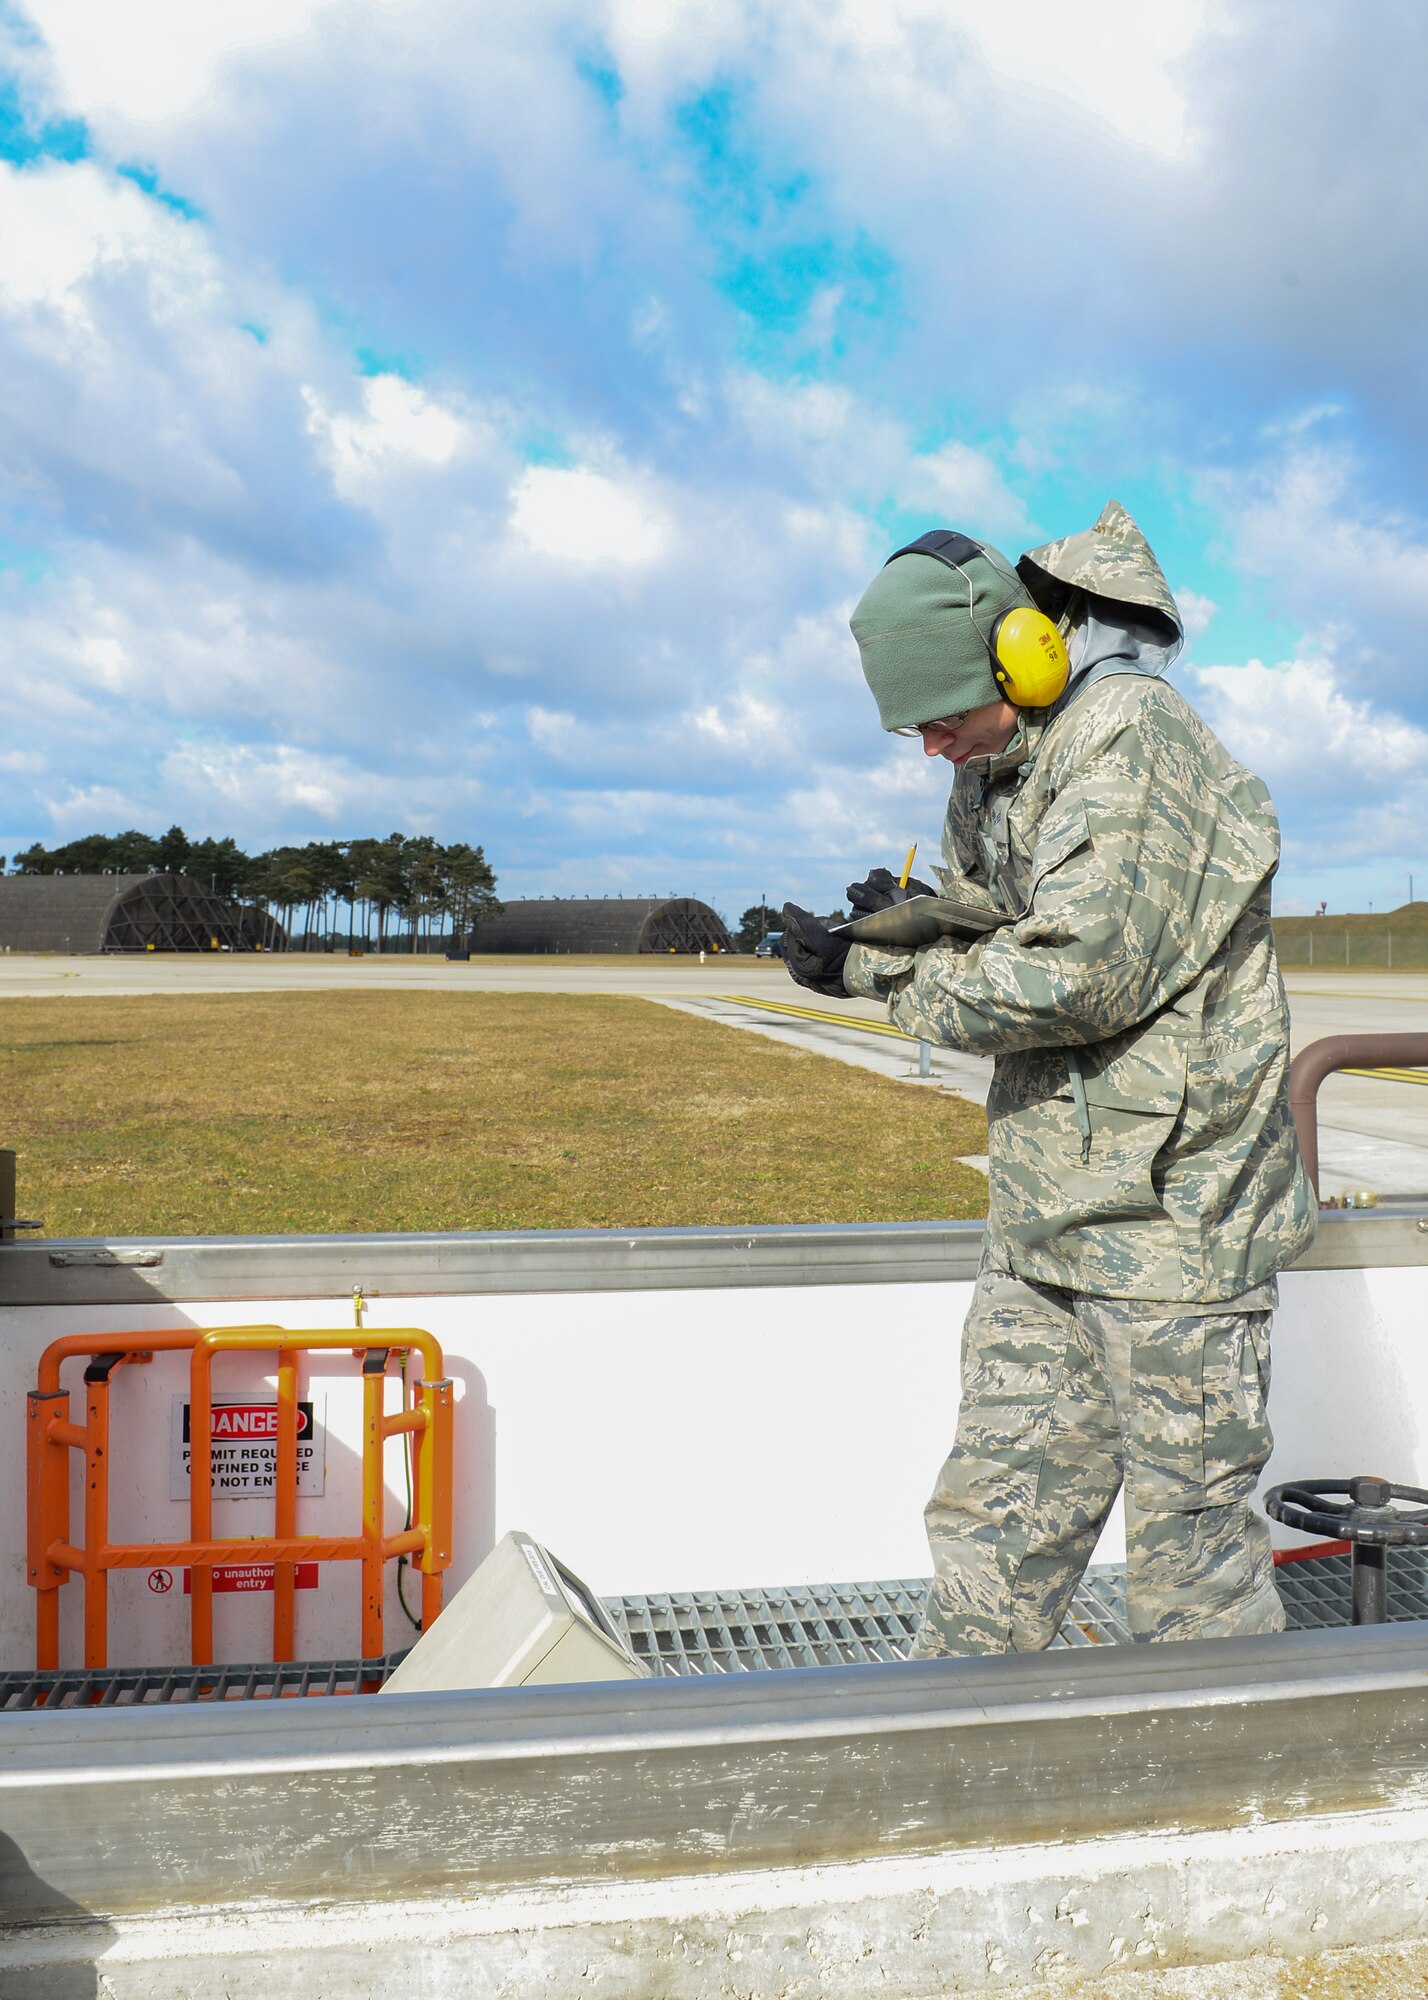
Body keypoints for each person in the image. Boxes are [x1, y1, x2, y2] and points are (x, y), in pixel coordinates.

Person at [779, 501, 1316, 1654]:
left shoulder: (1134, 737)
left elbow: (1078, 971)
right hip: (1045, 1220)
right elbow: (1006, 908)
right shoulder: (1003, 761)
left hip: (1176, 1227)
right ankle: (955, 1782)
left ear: (1021, 655)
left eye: (938, 717)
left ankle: (1226, 1810)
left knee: (1194, 1580)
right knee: (992, 1537)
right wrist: (905, 918)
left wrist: (878, 980)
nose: (932, 746)